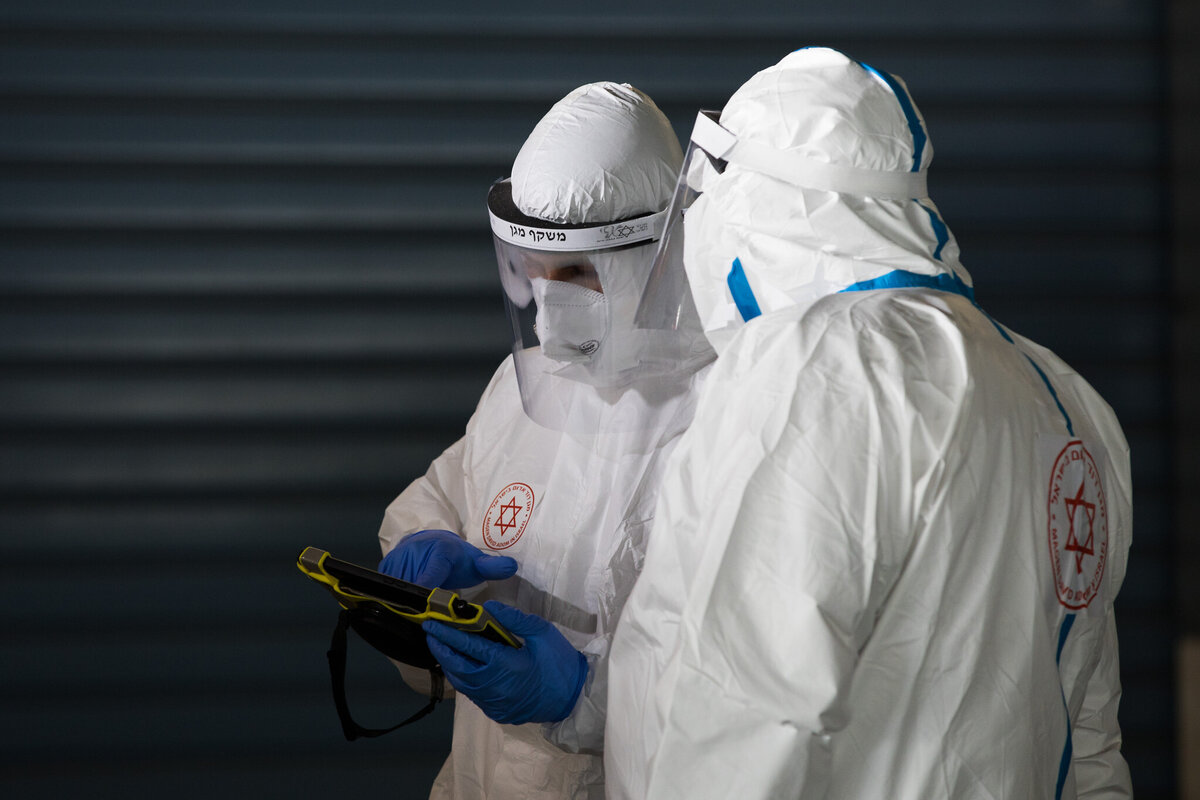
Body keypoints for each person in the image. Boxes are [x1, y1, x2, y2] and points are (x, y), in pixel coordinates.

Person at [605, 47, 1133, 799]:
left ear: (752, 208)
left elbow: (742, 713)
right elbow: (1090, 738)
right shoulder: (1067, 397)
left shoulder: (816, 369)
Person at [376, 82, 714, 800]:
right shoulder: (520, 387)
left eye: (580, 274)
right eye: (536, 272)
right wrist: (416, 581)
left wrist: (588, 695)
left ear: (655, 258)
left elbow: (747, 680)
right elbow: (440, 499)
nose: (551, 313)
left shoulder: (729, 414)